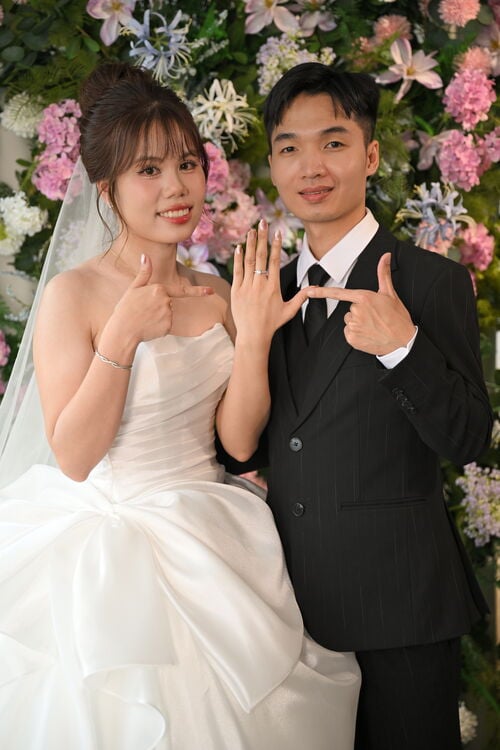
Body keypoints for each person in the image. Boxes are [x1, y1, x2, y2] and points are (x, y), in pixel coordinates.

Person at [0, 62, 361, 749]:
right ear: (106, 189)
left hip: (208, 527)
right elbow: (74, 457)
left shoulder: (217, 292)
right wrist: (120, 338)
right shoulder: (73, 295)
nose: (176, 188)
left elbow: (238, 441)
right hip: (111, 542)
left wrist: (253, 338)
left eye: (188, 164)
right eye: (149, 170)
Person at [220, 62, 493, 750]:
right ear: (273, 167)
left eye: (333, 143)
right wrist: (251, 337)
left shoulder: (432, 282)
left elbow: (469, 438)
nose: (311, 166)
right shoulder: (266, 290)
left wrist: (403, 347)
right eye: (290, 148)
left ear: (369, 156)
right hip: (290, 611)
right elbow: (242, 449)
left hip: (400, 606)